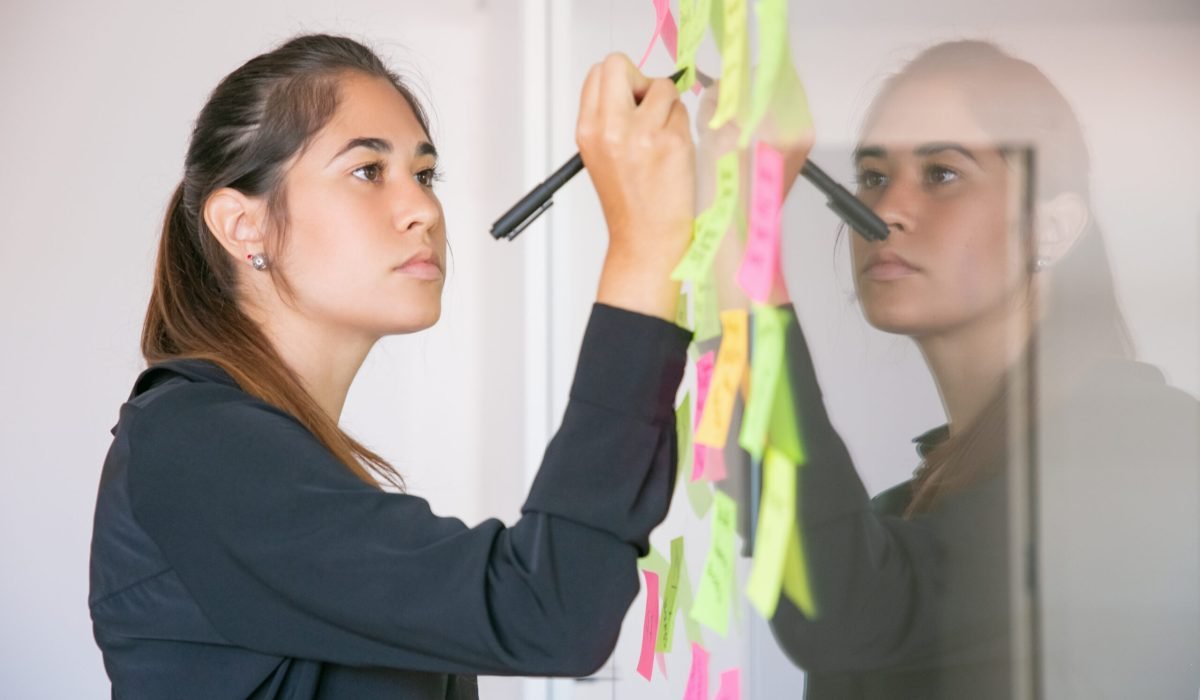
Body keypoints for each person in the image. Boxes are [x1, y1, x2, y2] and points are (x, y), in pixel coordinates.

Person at [88, 34, 698, 699]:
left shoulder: (255, 457)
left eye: (425, 174)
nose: (424, 210)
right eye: (367, 171)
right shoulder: (190, 445)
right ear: (243, 226)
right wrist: (643, 246)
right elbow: (549, 609)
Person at [701, 40, 1198, 698]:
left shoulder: (1149, 448)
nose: (886, 211)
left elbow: (841, 605)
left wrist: (738, 236)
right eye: (873, 177)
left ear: (1050, 229)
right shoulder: (903, 521)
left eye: (942, 174)